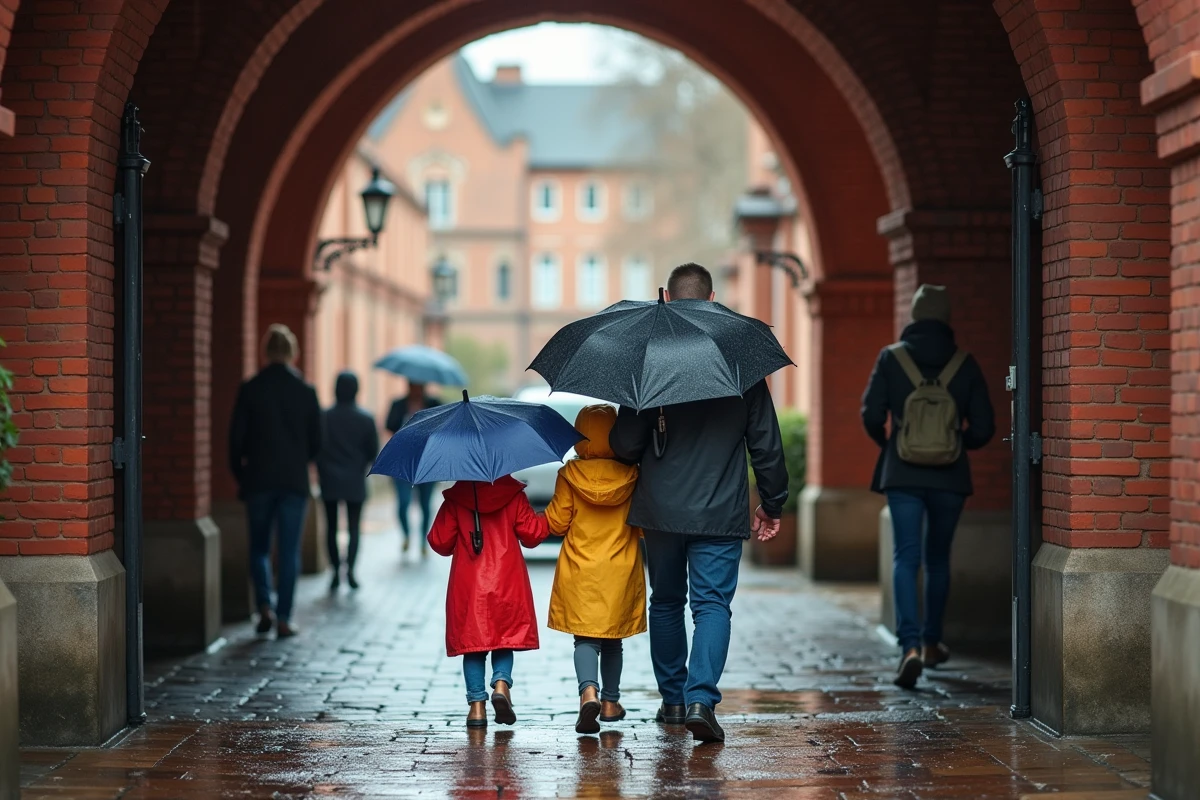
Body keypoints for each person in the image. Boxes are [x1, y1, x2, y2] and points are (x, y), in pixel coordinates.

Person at [609, 263, 788, 744]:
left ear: (666, 296)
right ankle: (701, 700)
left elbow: (625, 446)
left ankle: (671, 700)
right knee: (712, 606)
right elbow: (766, 444)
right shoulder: (740, 363)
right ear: (712, 299)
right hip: (720, 511)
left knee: (666, 601)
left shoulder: (649, 361)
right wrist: (773, 502)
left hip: (662, 511)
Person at [860, 284, 996, 689]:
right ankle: (933, 641)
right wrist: (956, 444)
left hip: (902, 473)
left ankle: (910, 647)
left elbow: (870, 414)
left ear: (915, 316)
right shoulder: (964, 363)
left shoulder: (892, 357)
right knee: (938, 558)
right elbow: (985, 427)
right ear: (947, 318)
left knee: (906, 556)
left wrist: (893, 444)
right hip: (950, 477)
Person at [543, 404, 646, 735]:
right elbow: (643, 526)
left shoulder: (569, 475)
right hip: (619, 569)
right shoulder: (632, 475)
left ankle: (588, 691)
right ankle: (611, 702)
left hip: (580, 568)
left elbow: (557, 523)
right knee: (613, 639)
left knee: (584, 639)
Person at [426, 475, 549, 728]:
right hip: (507, 580)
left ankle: (477, 708)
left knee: (473, 645)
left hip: (469, 585)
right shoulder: (513, 495)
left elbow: (439, 541)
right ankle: (502, 684)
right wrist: (547, 516)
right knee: (504, 638)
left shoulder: (455, 499)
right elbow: (532, 534)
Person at [229, 323, 322, 639]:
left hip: (258, 481)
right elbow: (317, 444)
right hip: (294, 482)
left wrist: (242, 475)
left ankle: (264, 607)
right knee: (289, 550)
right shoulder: (306, 392)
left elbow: (235, 441)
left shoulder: (251, 388)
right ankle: (284, 618)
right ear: (293, 353)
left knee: (259, 548)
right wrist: (299, 462)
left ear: (266, 351)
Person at [316, 371, 380, 592]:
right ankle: (351, 571)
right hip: (355, 480)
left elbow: (316, 448)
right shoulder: (365, 418)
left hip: (329, 479)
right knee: (354, 528)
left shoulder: (323, 417)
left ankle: (334, 571)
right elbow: (373, 452)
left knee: (331, 527)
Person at [385, 382, 440, 554]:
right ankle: (407, 535)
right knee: (403, 503)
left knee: (425, 504)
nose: (416, 389)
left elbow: (442, 428)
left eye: (419, 386)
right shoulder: (398, 405)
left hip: (427, 462)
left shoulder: (435, 404)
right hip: (403, 462)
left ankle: (424, 541)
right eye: (412, 385)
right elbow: (389, 425)